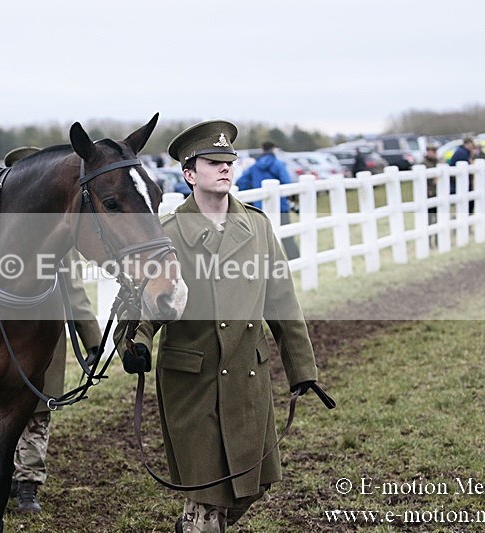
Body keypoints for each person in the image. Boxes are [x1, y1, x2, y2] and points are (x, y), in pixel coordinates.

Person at [119, 120, 330, 532]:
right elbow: (147, 303)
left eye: (228, 161)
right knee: (208, 492)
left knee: (253, 485)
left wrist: (302, 370)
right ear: (189, 174)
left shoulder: (257, 227)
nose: (225, 169)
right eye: (212, 162)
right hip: (193, 381)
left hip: (246, 377)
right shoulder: (168, 234)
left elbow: (283, 302)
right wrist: (137, 342)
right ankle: (198, 523)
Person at [0, 147, 103, 515]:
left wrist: (94, 341)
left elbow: (76, 295)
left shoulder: (56, 242)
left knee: (34, 418)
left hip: (37, 343)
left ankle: (28, 485)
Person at [235, 141, 299, 260]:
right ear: (273, 149)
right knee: (287, 235)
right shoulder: (279, 164)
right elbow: (287, 183)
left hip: (260, 207)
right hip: (281, 207)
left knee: (263, 237)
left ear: (263, 150)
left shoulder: (254, 167)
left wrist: (253, 193)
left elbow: (241, 182)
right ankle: (295, 258)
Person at [449, 137, 475, 214]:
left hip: (458, 182)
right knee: (466, 203)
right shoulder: (462, 153)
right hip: (459, 183)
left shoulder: (462, 152)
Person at [422, 144, 439, 248]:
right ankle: (428, 243)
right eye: (431, 151)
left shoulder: (438, 163)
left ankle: (437, 241)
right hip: (428, 195)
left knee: (438, 219)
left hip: (436, 194)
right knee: (428, 220)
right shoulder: (423, 164)